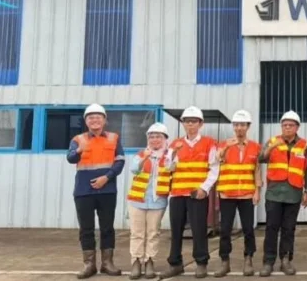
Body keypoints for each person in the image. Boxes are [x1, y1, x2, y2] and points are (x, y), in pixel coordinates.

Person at [160, 106, 219, 279]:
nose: (190, 124)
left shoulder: (209, 143)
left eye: (194, 121)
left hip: (197, 194)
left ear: (201, 124)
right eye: (187, 121)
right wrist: (173, 154)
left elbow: (214, 168)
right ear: (183, 123)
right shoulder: (175, 144)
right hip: (178, 193)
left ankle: (201, 263)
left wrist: (204, 188)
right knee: (176, 230)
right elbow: (168, 167)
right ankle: (175, 264)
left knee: (199, 230)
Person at [68, 103, 126, 279]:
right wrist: (78, 151)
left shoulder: (114, 138)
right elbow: (70, 158)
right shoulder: (78, 139)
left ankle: (107, 263)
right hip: (83, 191)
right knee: (86, 229)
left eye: (98, 117)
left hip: (107, 190)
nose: (95, 120)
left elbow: (120, 161)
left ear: (104, 120)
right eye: (91, 118)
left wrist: (106, 178)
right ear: (86, 121)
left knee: (107, 228)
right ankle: (89, 264)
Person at [260, 110, 307, 277]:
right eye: (284, 125)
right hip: (274, 193)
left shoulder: (304, 145)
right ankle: (268, 262)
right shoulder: (272, 141)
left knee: (289, 229)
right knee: (271, 228)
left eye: (290, 125)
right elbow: (261, 158)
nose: (287, 127)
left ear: (297, 127)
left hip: (294, 193)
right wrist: (271, 148)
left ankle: (285, 260)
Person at [214, 110, 262, 278]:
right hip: (227, 194)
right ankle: (224, 261)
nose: (239, 128)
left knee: (248, 229)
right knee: (225, 230)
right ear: (233, 127)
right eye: (236, 125)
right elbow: (216, 159)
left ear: (248, 126)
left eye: (242, 125)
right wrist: (227, 146)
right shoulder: (223, 145)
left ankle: (248, 259)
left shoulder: (255, 146)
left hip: (247, 194)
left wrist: (257, 191)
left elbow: (257, 170)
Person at [126, 122, 171, 280]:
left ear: (165, 139)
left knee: (153, 233)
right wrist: (145, 156)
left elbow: (173, 169)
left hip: (158, 201)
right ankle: (136, 261)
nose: (154, 140)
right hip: (137, 200)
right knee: (137, 233)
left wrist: (171, 156)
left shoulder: (169, 156)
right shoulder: (140, 154)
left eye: (158, 136)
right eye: (151, 137)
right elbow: (134, 169)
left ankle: (150, 261)